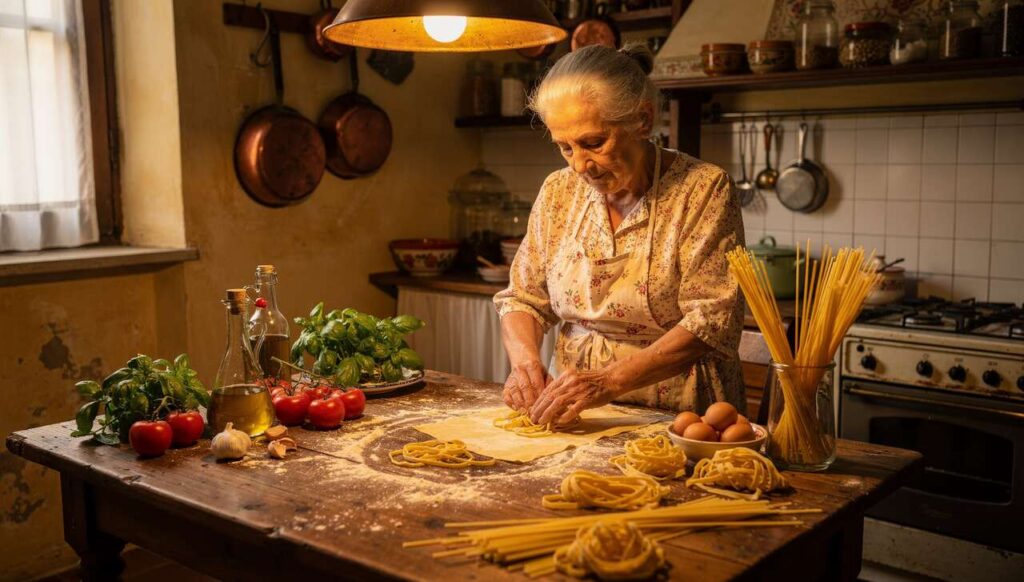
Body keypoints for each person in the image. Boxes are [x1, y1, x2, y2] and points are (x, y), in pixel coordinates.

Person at [493, 43, 745, 427]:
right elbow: (523, 299)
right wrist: (526, 363)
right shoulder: (559, 191)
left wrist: (609, 381)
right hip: (575, 412)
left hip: (682, 414)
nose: (579, 166)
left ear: (642, 120)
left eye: (594, 143)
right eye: (565, 147)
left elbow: (711, 320)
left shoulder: (703, 190)